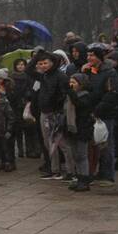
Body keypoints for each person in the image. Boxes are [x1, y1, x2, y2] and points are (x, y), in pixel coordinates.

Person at [84, 47, 118, 186]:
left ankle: (108, 175)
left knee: (106, 144)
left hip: (105, 114)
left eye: (92, 55)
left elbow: (111, 94)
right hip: (92, 112)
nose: (89, 58)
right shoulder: (91, 71)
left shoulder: (109, 73)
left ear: (99, 57)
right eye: (88, 55)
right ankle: (97, 172)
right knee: (95, 145)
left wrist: (98, 110)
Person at [33, 51, 68, 180]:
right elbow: (28, 70)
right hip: (44, 112)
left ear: (52, 63)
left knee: (62, 143)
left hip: (56, 113)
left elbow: (64, 94)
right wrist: (37, 55)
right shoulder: (44, 76)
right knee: (48, 143)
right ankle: (54, 170)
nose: (43, 66)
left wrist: (56, 107)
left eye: (45, 63)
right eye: (40, 64)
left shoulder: (60, 76)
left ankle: (71, 171)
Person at [63, 73, 94, 192]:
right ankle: (79, 178)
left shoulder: (85, 96)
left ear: (81, 84)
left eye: (74, 82)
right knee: (75, 155)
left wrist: (70, 93)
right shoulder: (70, 96)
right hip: (72, 129)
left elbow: (80, 106)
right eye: (70, 82)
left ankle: (85, 180)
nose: (71, 85)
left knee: (82, 155)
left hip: (82, 129)